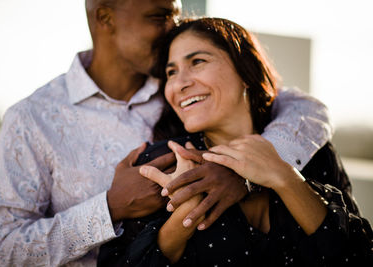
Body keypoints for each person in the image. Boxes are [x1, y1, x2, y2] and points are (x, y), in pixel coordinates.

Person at [0, 1, 333, 266]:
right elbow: (6, 249)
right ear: (106, 18)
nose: (174, 26)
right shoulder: (31, 118)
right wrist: (110, 208)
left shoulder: (191, 92)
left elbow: (307, 110)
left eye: (176, 13)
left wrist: (243, 174)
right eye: (159, 16)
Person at [97, 18, 373, 266]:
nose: (179, 84)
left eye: (197, 62)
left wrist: (286, 179)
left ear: (245, 70)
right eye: (171, 72)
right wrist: (185, 216)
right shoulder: (163, 164)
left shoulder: (311, 151)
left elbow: (357, 255)